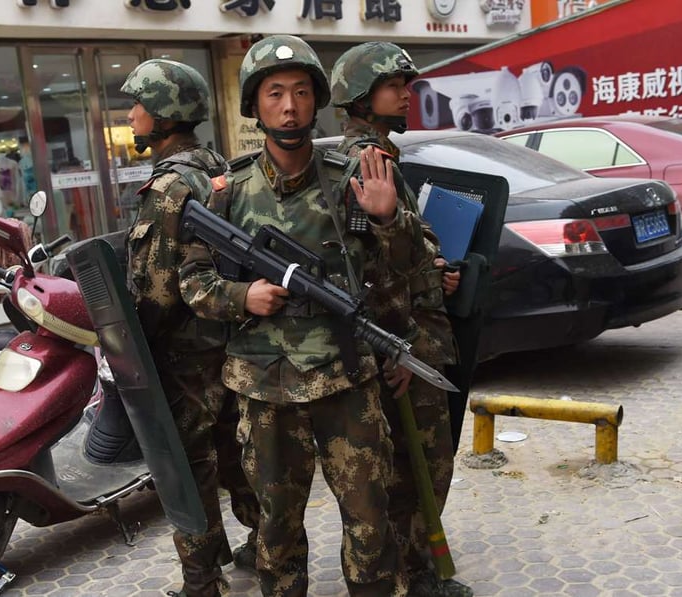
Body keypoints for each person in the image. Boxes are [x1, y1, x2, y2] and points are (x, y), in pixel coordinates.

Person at [180, 35, 419, 597]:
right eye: (275, 94)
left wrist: (388, 221)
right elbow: (192, 282)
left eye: (301, 93)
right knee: (276, 528)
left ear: (317, 102)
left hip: (346, 381)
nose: (289, 106)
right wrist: (243, 298)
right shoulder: (225, 193)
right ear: (255, 106)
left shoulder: (353, 178)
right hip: (266, 391)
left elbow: (398, 275)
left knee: (370, 519)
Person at [331, 42, 470, 597]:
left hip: (410, 336)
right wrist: (403, 346)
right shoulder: (368, 162)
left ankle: (414, 570)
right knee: (420, 467)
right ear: (363, 97)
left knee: (416, 466)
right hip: (404, 342)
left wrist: (434, 268)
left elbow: (402, 251)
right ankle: (414, 576)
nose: (406, 95)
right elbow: (370, 273)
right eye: (395, 86)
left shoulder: (378, 153)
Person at [120, 58, 260, 597]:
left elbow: (157, 294)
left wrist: (135, 348)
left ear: (163, 113)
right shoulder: (220, 169)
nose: (131, 115)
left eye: (138, 105)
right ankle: (267, 547)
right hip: (237, 347)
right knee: (241, 457)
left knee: (188, 469)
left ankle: (203, 582)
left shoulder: (170, 188)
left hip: (186, 359)